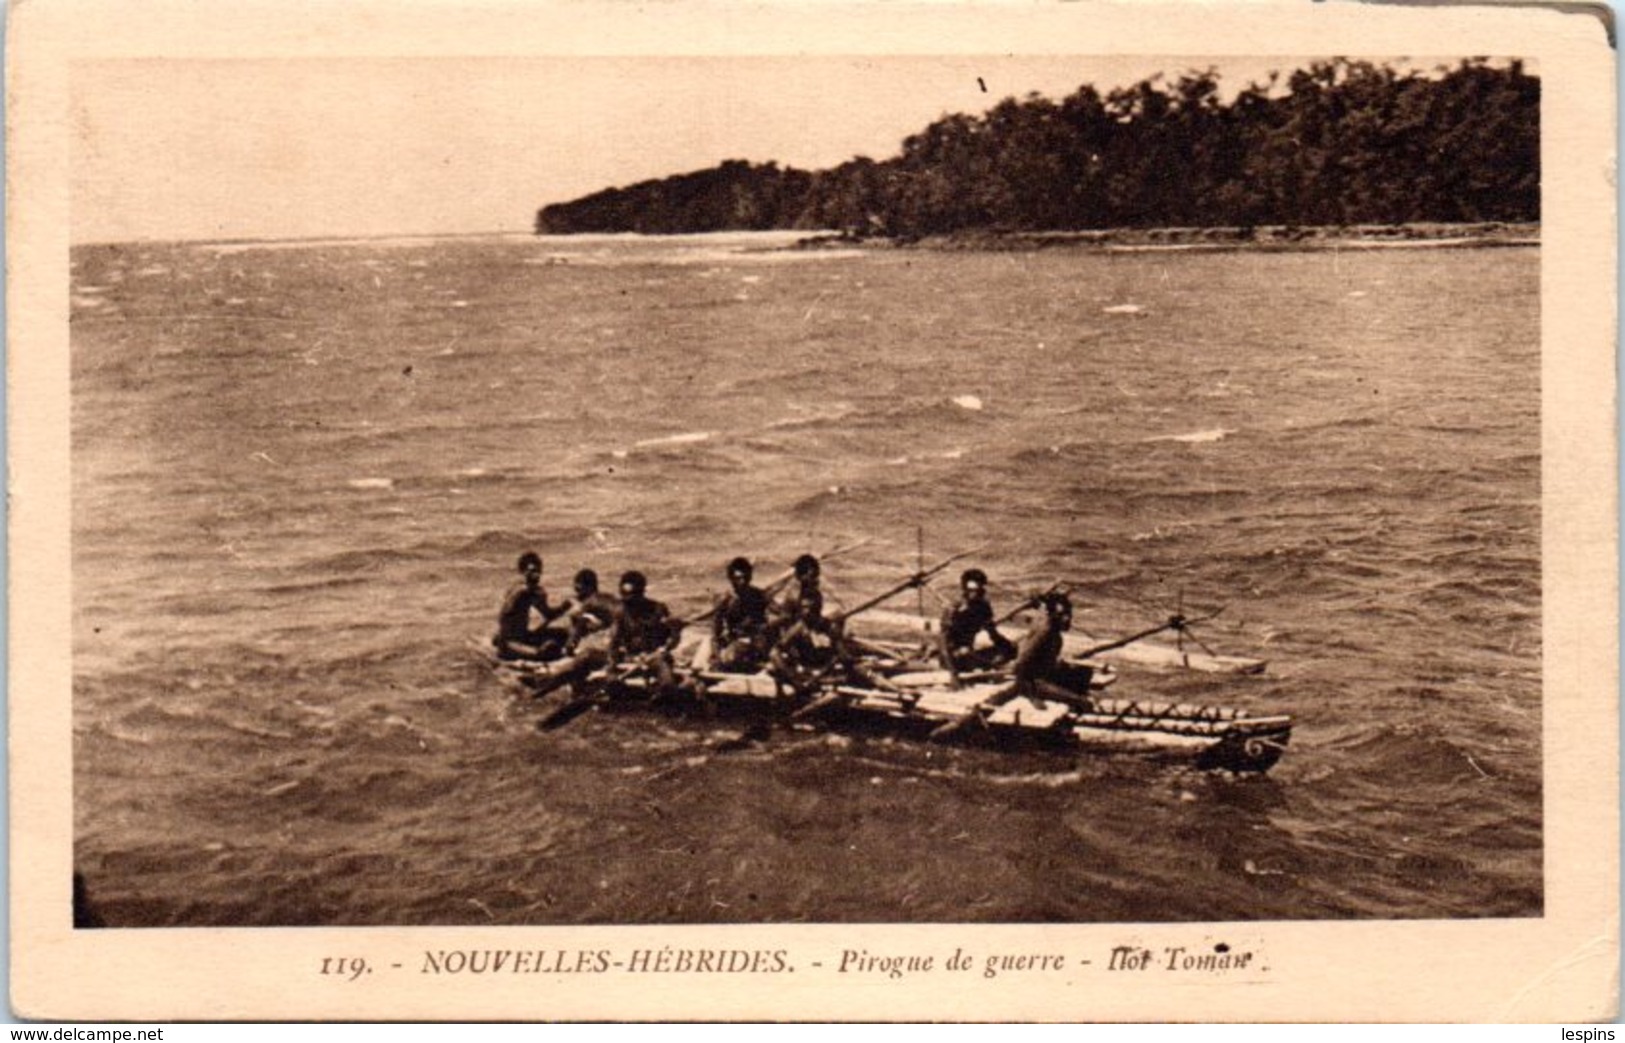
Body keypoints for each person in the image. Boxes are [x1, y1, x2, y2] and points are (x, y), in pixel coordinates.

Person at [1005, 591, 1096, 707]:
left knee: (1084, 671)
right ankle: (1076, 702)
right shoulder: (1044, 633)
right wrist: (1033, 697)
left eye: (1068, 614)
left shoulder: (1055, 634)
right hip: (1035, 684)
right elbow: (1019, 666)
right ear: (1052, 615)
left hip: (1046, 675)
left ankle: (1074, 697)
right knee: (1084, 702)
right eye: (1062, 615)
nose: (1067, 619)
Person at [937, 568, 1018, 687]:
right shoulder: (954, 609)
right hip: (952, 656)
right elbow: (943, 643)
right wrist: (953, 675)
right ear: (964, 589)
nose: (975, 593)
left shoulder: (983, 607)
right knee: (965, 652)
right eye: (971, 590)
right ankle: (988, 666)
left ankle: (990, 665)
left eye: (979, 590)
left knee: (1011, 648)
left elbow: (993, 634)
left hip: (970, 653)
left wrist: (1009, 648)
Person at [607, 570, 685, 692]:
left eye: (633, 599)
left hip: (656, 657)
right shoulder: (621, 612)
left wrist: (675, 633)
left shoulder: (658, 609)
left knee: (666, 678)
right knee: (611, 679)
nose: (629, 604)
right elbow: (613, 644)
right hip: (631, 658)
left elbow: (673, 641)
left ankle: (666, 696)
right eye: (626, 600)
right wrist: (612, 667)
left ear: (642, 593)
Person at [494, 551, 569, 660]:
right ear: (522, 572)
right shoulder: (521, 591)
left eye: (538, 571)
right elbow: (504, 617)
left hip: (523, 636)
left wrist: (564, 607)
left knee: (562, 634)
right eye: (532, 571)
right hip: (509, 642)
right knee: (542, 653)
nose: (536, 575)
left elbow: (548, 615)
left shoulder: (533, 591)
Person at [711, 556, 771, 672]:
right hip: (736, 640)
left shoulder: (758, 595)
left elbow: (777, 613)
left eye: (745, 578)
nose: (742, 582)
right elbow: (715, 631)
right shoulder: (725, 600)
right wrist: (716, 654)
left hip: (757, 639)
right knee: (729, 658)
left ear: (750, 577)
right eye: (738, 578)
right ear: (731, 579)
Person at [563, 568, 619, 655]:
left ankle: (570, 646)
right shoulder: (607, 597)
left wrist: (570, 645)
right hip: (622, 626)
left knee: (579, 618)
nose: (577, 594)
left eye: (578, 590)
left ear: (588, 588)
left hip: (614, 630)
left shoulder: (590, 601)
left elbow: (578, 620)